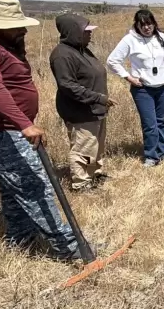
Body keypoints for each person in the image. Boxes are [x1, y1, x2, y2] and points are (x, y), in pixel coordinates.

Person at [0, 0, 82, 260]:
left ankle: (20, 240)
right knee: (35, 187)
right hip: (1, 132)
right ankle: (71, 249)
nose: (23, 30)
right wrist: (24, 125)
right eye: (16, 25)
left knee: (14, 190)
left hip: (8, 129)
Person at [107, 9, 164, 167]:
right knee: (150, 123)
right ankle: (151, 156)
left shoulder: (162, 38)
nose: (147, 27)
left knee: (161, 121)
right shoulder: (130, 40)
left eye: (149, 23)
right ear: (137, 25)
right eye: (143, 25)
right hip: (143, 89)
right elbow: (112, 61)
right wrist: (128, 77)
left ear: (154, 23)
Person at [49, 14, 115, 191]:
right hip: (80, 111)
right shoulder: (62, 55)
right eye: (86, 31)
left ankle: (95, 174)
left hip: (95, 108)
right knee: (83, 147)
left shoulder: (81, 49)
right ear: (74, 32)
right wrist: (98, 98)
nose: (90, 34)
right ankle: (81, 183)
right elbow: (67, 86)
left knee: (96, 144)